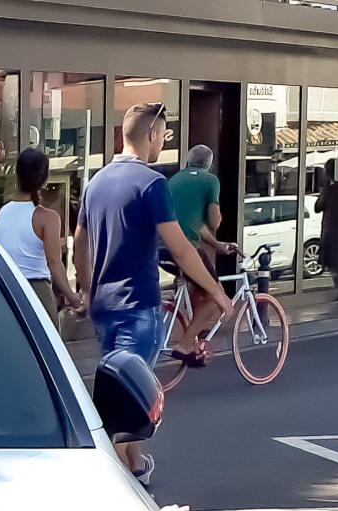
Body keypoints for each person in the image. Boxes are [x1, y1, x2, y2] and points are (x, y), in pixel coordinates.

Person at [74, 102, 224, 480]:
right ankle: (108, 479)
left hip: (105, 309)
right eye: (163, 135)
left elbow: (79, 242)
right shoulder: (151, 183)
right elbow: (182, 249)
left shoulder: (97, 182)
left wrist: (87, 289)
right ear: (152, 135)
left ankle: (136, 468)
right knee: (128, 405)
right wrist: (217, 292)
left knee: (121, 393)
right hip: (138, 306)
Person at [0, 147, 74, 326]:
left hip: (3, 290)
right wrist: (73, 298)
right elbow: (54, 262)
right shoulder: (48, 218)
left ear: (17, 176)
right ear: (44, 180)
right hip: (35, 290)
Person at [163, 144, 228, 363]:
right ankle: (185, 344)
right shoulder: (210, 181)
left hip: (162, 248)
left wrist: (217, 245)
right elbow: (212, 222)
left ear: (188, 162)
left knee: (200, 290)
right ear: (209, 164)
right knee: (216, 296)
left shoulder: (174, 180)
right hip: (184, 248)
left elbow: (193, 224)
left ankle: (193, 336)